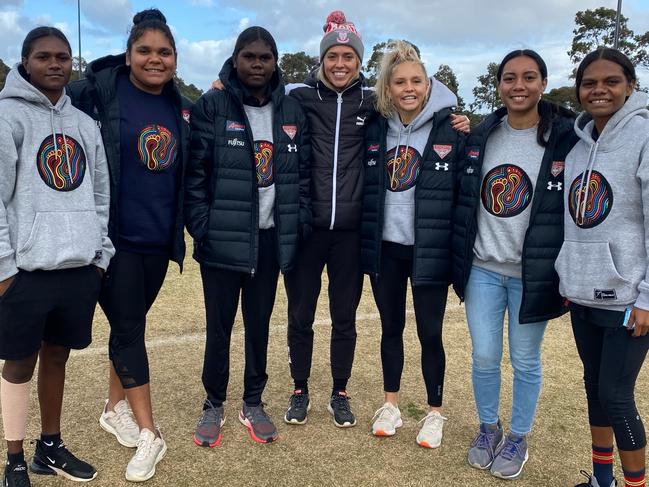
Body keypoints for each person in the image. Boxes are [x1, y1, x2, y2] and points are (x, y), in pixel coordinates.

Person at [67, 9, 189, 482]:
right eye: (145, 51)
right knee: (128, 332)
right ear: (129, 53)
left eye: (164, 52)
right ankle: (149, 433)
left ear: (175, 59)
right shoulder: (96, 92)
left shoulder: (181, 105)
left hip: (159, 239)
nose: (154, 60)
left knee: (130, 324)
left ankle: (113, 405)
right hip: (112, 239)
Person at [452, 49, 578, 479]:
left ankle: (518, 437)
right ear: (499, 85)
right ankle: (489, 428)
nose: (518, 86)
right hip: (483, 269)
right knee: (485, 357)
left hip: (533, 274)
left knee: (525, 361)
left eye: (528, 77)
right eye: (509, 78)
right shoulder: (483, 133)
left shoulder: (567, 136)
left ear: (543, 82)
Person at [185, 26, 311, 446]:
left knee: (258, 326)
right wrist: (203, 228)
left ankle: (252, 402)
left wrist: (298, 224)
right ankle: (213, 403)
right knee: (218, 329)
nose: (258, 64)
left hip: (270, 242)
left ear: (276, 62)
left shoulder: (292, 110)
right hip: (221, 243)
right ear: (236, 58)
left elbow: (304, 179)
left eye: (266, 58)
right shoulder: (213, 105)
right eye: (250, 57)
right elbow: (195, 176)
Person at [0, 27, 113, 486]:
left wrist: (99, 253)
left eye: (62, 57)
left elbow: (101, 193)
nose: (54, 64)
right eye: (43, 57)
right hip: (25, 269)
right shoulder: (7, 118)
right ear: (25, 63)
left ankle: (50, 446)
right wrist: (5, 269)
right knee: (19, 362)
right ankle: (14, 458)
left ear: (72, 63)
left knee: (58, 358)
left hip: (77, 267)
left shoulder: (85, 124)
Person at [360, 40, 463, 448]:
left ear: (428, 84)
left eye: (416, 81)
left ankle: (434, 412)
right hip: (386, 248)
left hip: (429, 250)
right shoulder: (375, 126)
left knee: (430, 333)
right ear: (387, 88)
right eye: (399, 81)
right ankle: (391, 405)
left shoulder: (449, 127)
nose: (408, 88)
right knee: (391, 328)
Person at [553, 48, 649, 487]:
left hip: (628, 299)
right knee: (594, 390)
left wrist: (648, 297)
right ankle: (601, 481)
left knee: (616, 395)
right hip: (583, 293)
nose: (599, 90)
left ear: (630, 85)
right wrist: (569, 275)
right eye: (590, 83)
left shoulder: (644, 136)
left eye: (611, 81)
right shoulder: (577, 147)